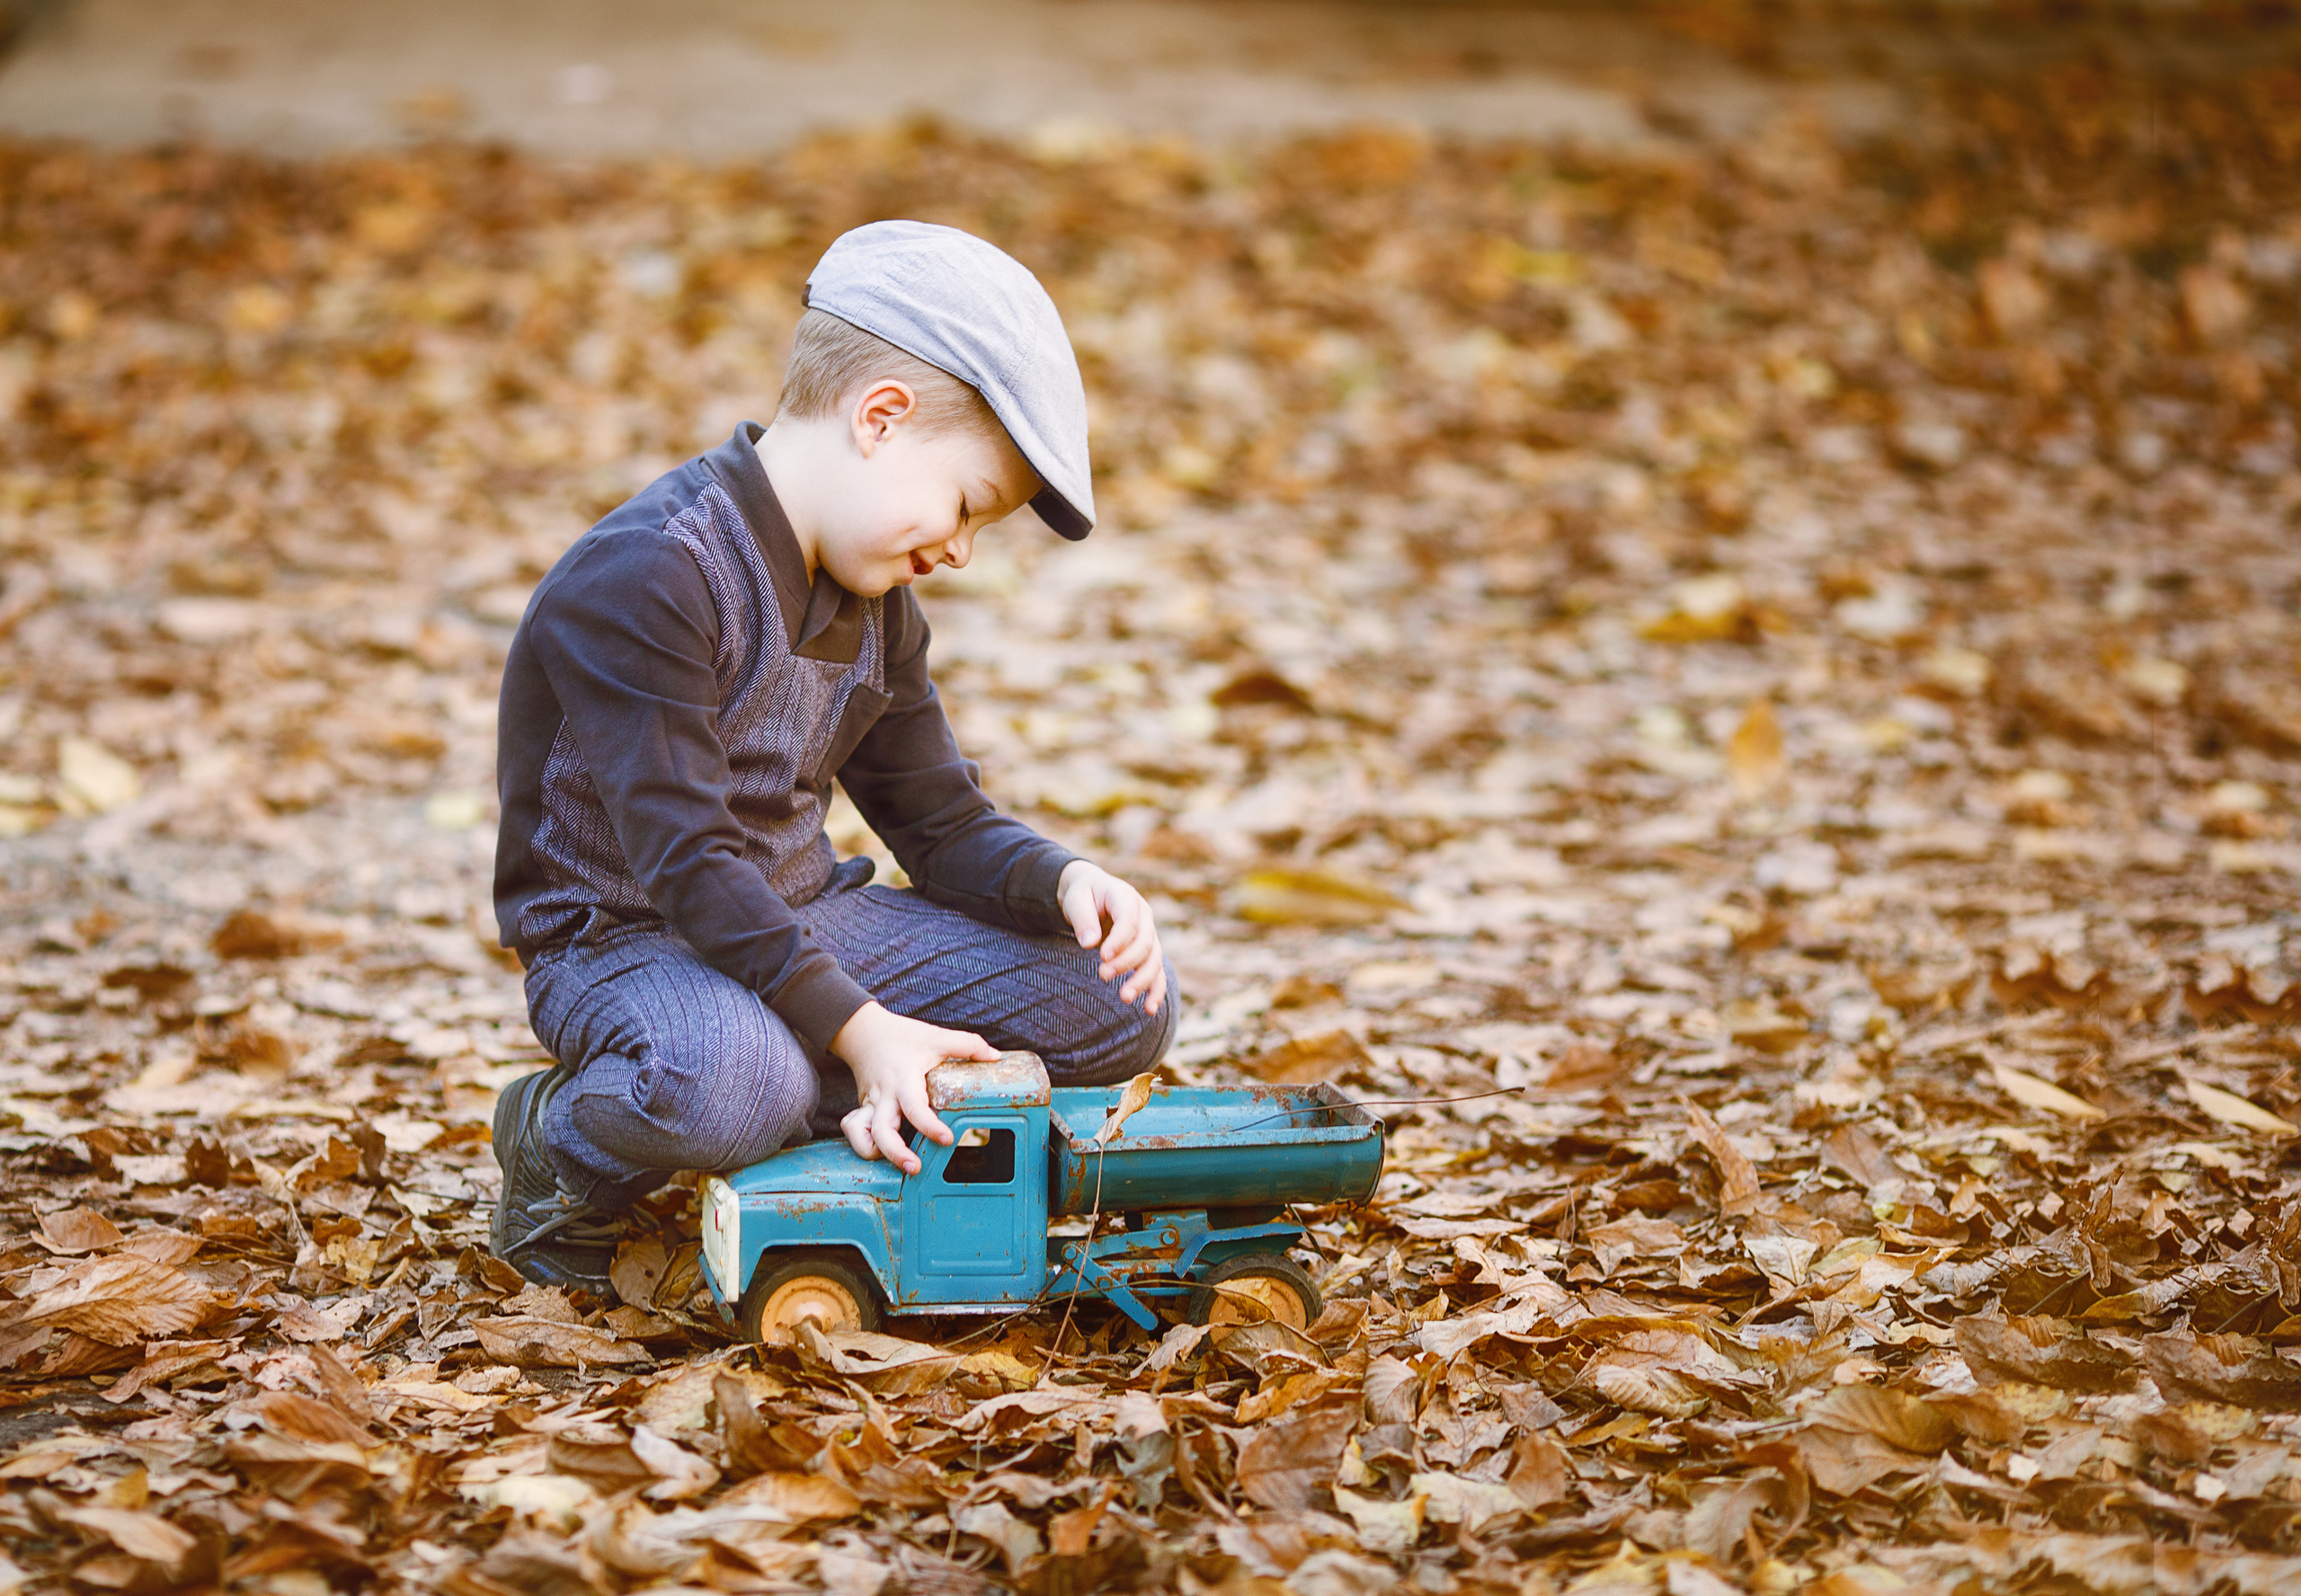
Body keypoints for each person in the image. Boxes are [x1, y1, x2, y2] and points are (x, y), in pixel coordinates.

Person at [486, 220, 1175, 1292]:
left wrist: (1063, 879)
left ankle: (822, 1058)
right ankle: (563, 1140)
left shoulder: (877, 605)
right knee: (728, 1088)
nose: (958, 551)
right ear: (881, 418)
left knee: (1120, 1000)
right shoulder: (649, 576)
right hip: (626, 939)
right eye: (965, 507)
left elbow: (938, 822)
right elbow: (688, 860)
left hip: (801, 915)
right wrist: (860, 1027)